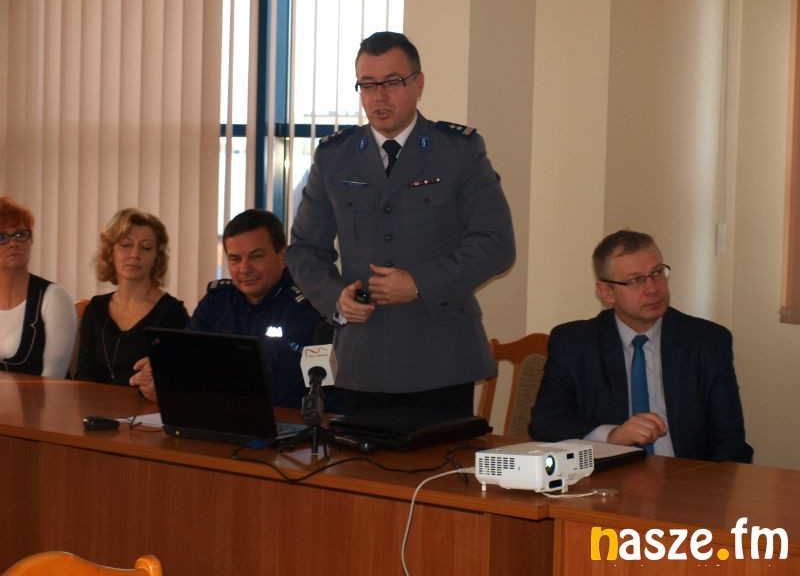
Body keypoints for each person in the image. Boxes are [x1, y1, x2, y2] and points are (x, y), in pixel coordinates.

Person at [286, 31, 515, 416]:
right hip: (362, 359)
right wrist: (337, 299)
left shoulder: (458, 150)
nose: (379, 96)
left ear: (418, 83)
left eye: (392, 82)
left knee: (442, 457)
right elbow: (304, 250)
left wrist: (419, 283)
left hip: (442, 357)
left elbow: (496, 244)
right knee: (359, 457)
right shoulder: (335, 156)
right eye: (368, 84)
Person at [529, 229, 753, 463]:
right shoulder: (574, 343)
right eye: (636, 280)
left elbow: (730, 442)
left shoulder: (707, 341)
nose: (653, 289)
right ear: (606, 292)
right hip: (609, 477)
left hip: (685, 475)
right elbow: (546, 422)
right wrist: (611, 435)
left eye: (657, 273)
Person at [133, 209, 327, 410]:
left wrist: (183, 377)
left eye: (256, 256)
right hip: (221, 413)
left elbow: (273, 384)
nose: (244, 269)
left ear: (282, 256)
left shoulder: (308, 307)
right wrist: (161, 374)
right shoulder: (217, 302)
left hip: (290, 420)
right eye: (235, 259)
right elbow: (186, 356)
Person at [76, 209, 189, 392]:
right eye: (126, 245)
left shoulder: (172, 313)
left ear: (157, 257)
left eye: (146, 248)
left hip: (146, 408)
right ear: (110, 252)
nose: (135, 254)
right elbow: (83, 375)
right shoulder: (95, 308)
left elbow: (176, 381)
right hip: (95, 406)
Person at [0, 197, 76, 377]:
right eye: (1, 237)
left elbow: (54, 380)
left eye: (20, 234)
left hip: (42, 395)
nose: (13, 243)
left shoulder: (55, 298)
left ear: (31, 241)